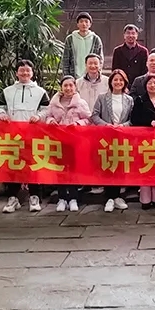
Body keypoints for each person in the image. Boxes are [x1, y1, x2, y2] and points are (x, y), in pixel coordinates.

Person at [0, 59, 50, 214]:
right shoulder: (7, 91)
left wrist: (39, 116)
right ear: (16, 73)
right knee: (13, 166)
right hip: (12, 136)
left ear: (32, 73)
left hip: (33, 135)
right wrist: (1, 114)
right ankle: (13, 198)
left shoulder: (40, 92)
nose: (25, 73)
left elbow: (46, 109)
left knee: (34, 165)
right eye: (21, 70)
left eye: (27, 70)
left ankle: (35, 197)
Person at [90, 69, 134, 213]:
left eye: (121, 80)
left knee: (120, 166)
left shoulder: (129, 99)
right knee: (108, 166)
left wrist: (123, 126)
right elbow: (94, 116)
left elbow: (132, 119)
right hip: (106, 137)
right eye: (115, 80)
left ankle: (118, 197)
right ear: (111, 82)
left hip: (122, 137)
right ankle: (109, 197)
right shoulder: (102, 98)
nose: (118, 82)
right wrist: (106, 125)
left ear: (124, 82)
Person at [45, 76, 91, 212]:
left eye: (71, 85)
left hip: (75, 141)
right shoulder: (54, 103)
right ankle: (62, 198)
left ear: (75, 87)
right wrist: (51, 121)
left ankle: (73, 198)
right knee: (60, 170)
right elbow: (47, 116)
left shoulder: (81, 103)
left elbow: (88, 119)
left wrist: (77, 124)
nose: (68, 88)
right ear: (61, 87)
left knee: (73, 170)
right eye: (65, 85)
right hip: (58, 141)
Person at [131, 76, 155, 210]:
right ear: (145, 86)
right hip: (145, 139)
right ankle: (145, 199)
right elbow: (134, 119)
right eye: (149, 83)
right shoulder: (140, 100)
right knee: (146, 168)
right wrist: (148, 122)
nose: (152, 85)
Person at [61, 12, 104, 78]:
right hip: (74, 76)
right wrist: (67, 76)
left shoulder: (96, 39)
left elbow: (100, 59)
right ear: (77, 24)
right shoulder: (70, 39)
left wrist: (98, 73)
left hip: (91, 76)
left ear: (90, 24)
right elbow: (66, 59)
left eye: (86, 22)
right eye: (81, 21)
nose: (84, 24)